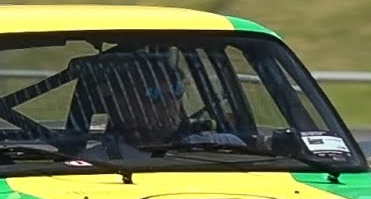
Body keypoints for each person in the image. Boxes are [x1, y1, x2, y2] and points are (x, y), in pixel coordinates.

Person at [78, 53, 246, 160]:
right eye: (153, 94)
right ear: (121, 104)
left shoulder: (226, 146)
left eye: (176, 91)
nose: (169, 102)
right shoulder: (96, 162)